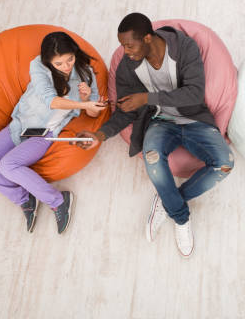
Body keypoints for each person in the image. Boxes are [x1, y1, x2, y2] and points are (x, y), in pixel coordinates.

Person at [77, 13, 233, 258]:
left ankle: (168, 201)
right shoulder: (128, 65)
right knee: (152, 159)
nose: (125, 51)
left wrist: (148, 97)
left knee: (225, 164)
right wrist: (100, 134)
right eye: (122, 45)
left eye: (129, 45)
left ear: (148, 38)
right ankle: (181, 217)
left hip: (194, 118)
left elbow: (194, 93)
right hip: (161, 122)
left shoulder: (184, 47)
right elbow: (125, 110)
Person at [0, 31, 106, 234]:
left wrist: (88, 101)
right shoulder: (38, 66)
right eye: (59, 63)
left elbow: (95, 113)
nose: (66, 66)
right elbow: (50, 100)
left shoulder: (86, 73)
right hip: (21, 124)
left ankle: (59, 201)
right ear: (49, 61)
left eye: (70, 59)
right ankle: (25, 198)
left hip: (44, 133)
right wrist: (81, 102)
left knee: (8, 166)